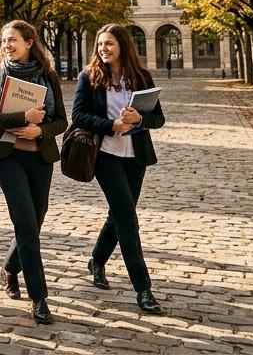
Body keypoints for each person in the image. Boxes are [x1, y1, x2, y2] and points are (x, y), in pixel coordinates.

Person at [72, 24, 167, 315]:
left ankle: (97, 261)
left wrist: (140, 118)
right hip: (105, 155)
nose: (104, 49)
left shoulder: (141, 77)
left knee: (119, 214)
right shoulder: (89, 77)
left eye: (109, 44)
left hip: (134, 156)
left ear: (123, 46)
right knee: (127, 218)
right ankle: (143, 289)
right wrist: (110, 125)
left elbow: (158, 118)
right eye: (100, 44)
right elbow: (78, 116)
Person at [0, 20, 69, 325]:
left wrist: (39, 130)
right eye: (4, 41)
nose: (7, 45)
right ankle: (39, 298)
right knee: (26, 225)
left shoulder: (48, 76)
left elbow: (61, 121)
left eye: (13, 40)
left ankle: (8, 267)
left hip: (40, 158)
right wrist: (22, 117)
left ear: (30, 42)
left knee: (35, 221)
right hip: (8, 158)